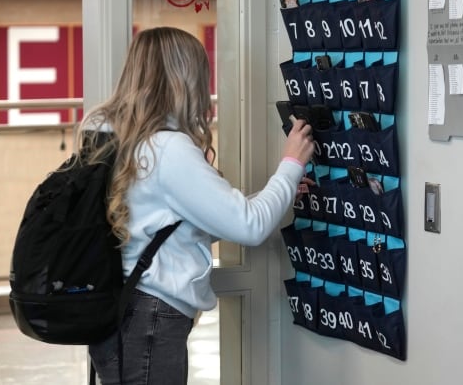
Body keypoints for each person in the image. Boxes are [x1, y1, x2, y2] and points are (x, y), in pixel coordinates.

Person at [77, 26, 314, 385]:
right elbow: (247, 226)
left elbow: (182, 222)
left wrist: (281, 195)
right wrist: (291, 164)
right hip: (149, 321)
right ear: (184, 78)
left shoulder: (112, 135)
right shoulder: (169, 150)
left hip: (121, 312)